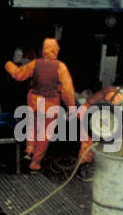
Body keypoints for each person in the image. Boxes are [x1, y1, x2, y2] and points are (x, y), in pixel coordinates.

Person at [4, 38, 75, 171]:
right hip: (50, 104)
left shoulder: (35, 63)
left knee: (32, 127)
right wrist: (71, 107)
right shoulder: (60, 67)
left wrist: (8, 64)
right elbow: (67, 90)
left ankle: (28, 152)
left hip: (34, 102)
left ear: (43, 50)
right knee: (44, 134)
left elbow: (18, 75)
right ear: (56, 50)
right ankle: (35, 164)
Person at [77, 82, 123, 167]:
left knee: (88, 141)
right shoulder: (120, 96)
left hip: (92, 114)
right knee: (89, 141)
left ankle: (84, 164)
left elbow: (91, 100)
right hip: (92, 115)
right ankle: (85, 164)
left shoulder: (111, 91)